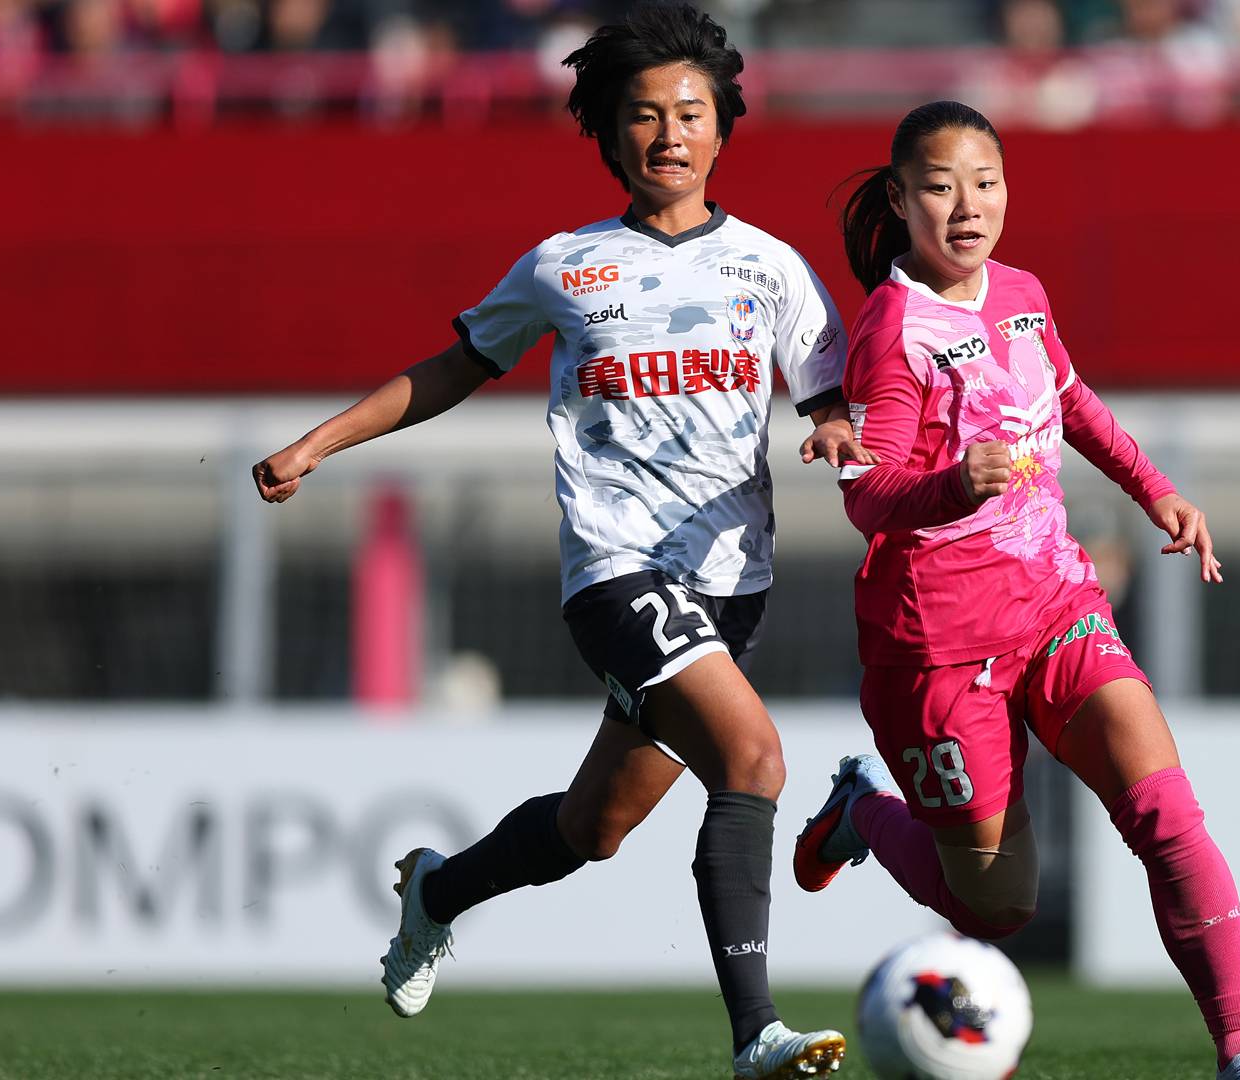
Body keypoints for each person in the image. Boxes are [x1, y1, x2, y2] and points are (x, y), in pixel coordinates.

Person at [250, 6, 864, 1077]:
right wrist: (318, 443)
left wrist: (837, 428)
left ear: (724, 127)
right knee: (754, 758)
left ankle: (437, 890)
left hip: (732, 585)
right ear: (609, 133)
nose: (668, 134)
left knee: (595, 827)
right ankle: (756, 1033)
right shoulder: (565, 265)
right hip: (618, 572)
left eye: (690, 113)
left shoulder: (771, 268)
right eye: (644, 115)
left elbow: (831, 395)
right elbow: (455, 367)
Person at [792, 100, 1240, 1080]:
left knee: (1168, 818)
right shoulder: (894, 328)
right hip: (939, 649)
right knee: (998, 905)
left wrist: (1155, 490)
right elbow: (866, 496)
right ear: (901, 199)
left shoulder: (1022, 292)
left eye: (985, 183)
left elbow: (1070, 401)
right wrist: (951, 484)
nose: (966, 206)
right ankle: (864, 813)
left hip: (1058, 608)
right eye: (940, 188)